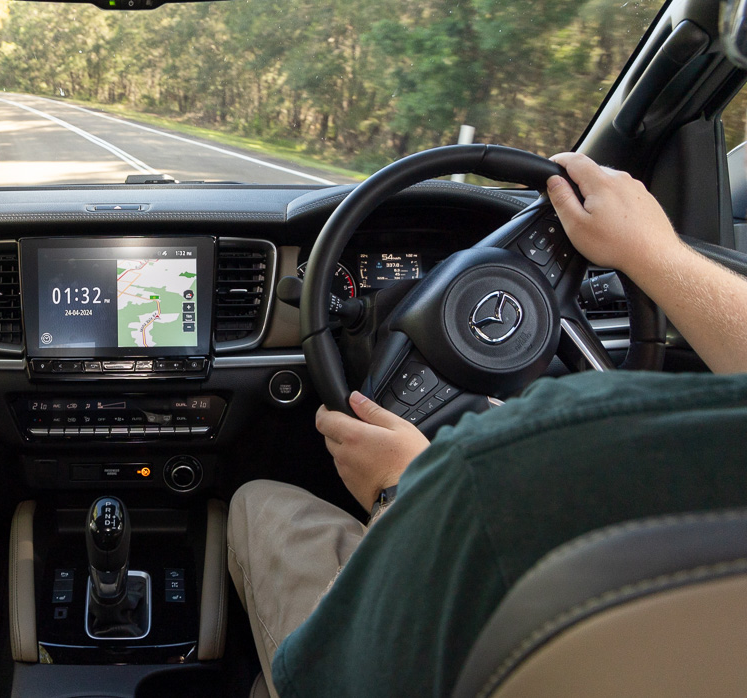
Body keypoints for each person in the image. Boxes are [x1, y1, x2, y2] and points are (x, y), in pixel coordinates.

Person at [227, 151, 747, 698]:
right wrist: (654, 255)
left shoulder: (486, 478)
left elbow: (331, 679)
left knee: (255, 503)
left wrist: (400, 491)